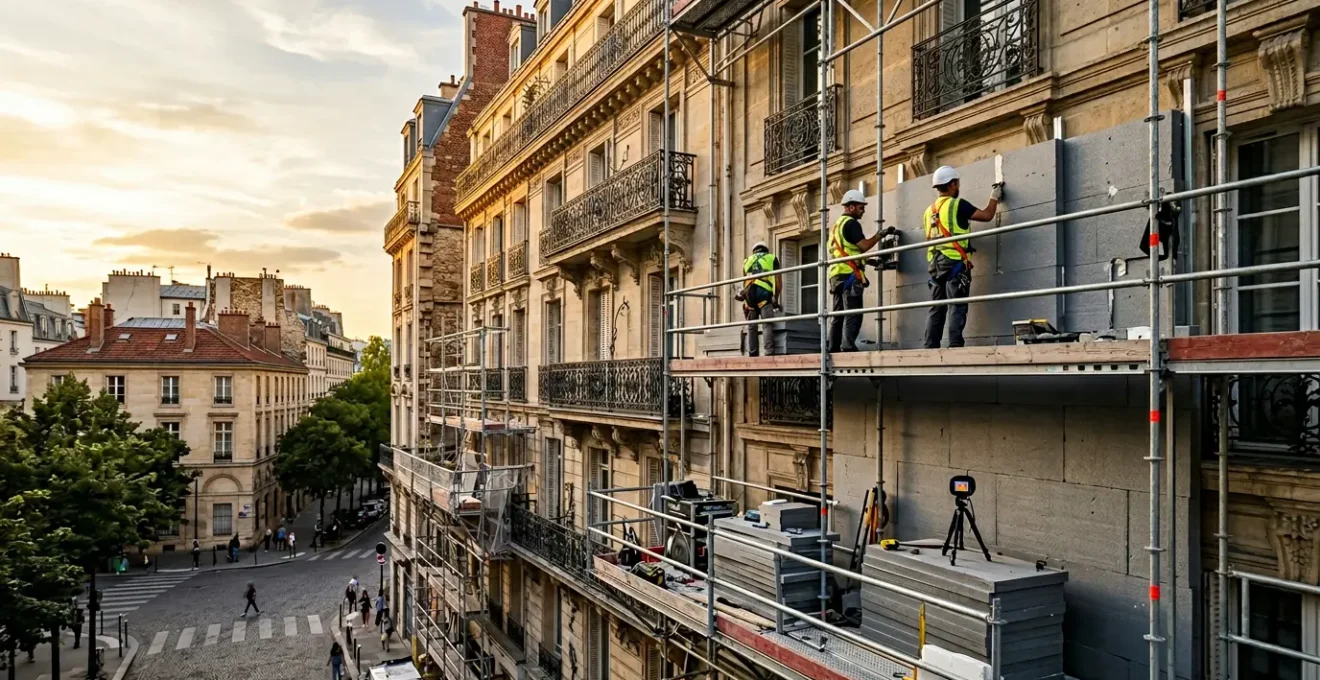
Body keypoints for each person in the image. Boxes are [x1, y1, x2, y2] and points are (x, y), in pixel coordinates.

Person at [922, 166, 1002, 349]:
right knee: (957, 304)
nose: (958, 187)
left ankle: (930, 346)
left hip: (934, 264)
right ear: (952, 184)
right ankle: (955, 344)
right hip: (953, 263)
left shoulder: (929, 211)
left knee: (937, 308)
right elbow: (987, 215)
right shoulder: (957, 204)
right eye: (957, 184)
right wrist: (994, 196)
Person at [827, 189, 884, 352]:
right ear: (850, 207)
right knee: (854, 313)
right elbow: (863, 246)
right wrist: (879, 235)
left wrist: (872, 261)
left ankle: (833, 348)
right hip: (849, 276)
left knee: (838, 315)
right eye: (860, 207)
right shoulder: (851, 224)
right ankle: (847, 346)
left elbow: (849, 252)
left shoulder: (836, 226)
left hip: (836, 276)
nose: (863, 210)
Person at [737, 241, 782, 357]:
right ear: (766, 249)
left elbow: (744, 281)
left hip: (749, 295)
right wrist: (775, 299)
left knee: (752, 326)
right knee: (767, 324)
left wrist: (744, 298)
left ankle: (753, 354)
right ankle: (769, 352)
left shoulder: (747, 260)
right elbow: (778, 282)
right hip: (763, 293)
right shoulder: (772, 258)